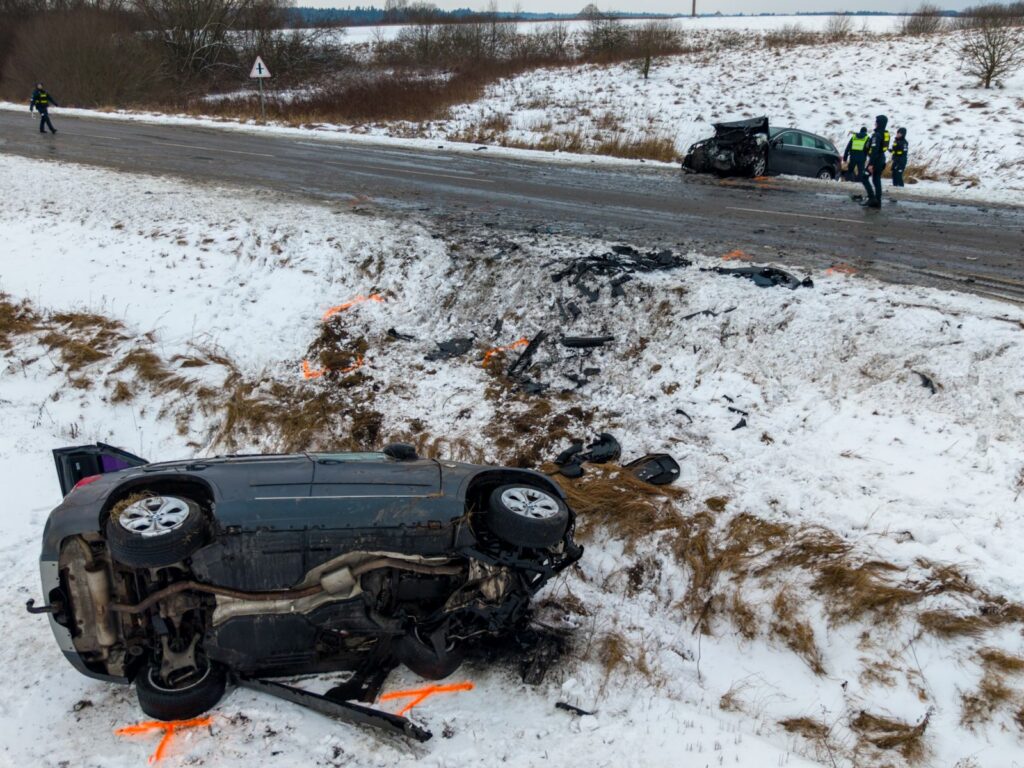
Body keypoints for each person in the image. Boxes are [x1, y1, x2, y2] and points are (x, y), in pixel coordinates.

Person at [861, 114, 889, 208]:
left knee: (864, 177)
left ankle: (872, 198)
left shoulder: (877, 135)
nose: (875, 123)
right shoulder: (884, 133)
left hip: (876, 160)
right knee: (876, 179)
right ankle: (878, 201)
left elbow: (874, 151)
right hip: (881, 159)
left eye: (876, 122)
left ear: (879, 123)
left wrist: (871, 164)